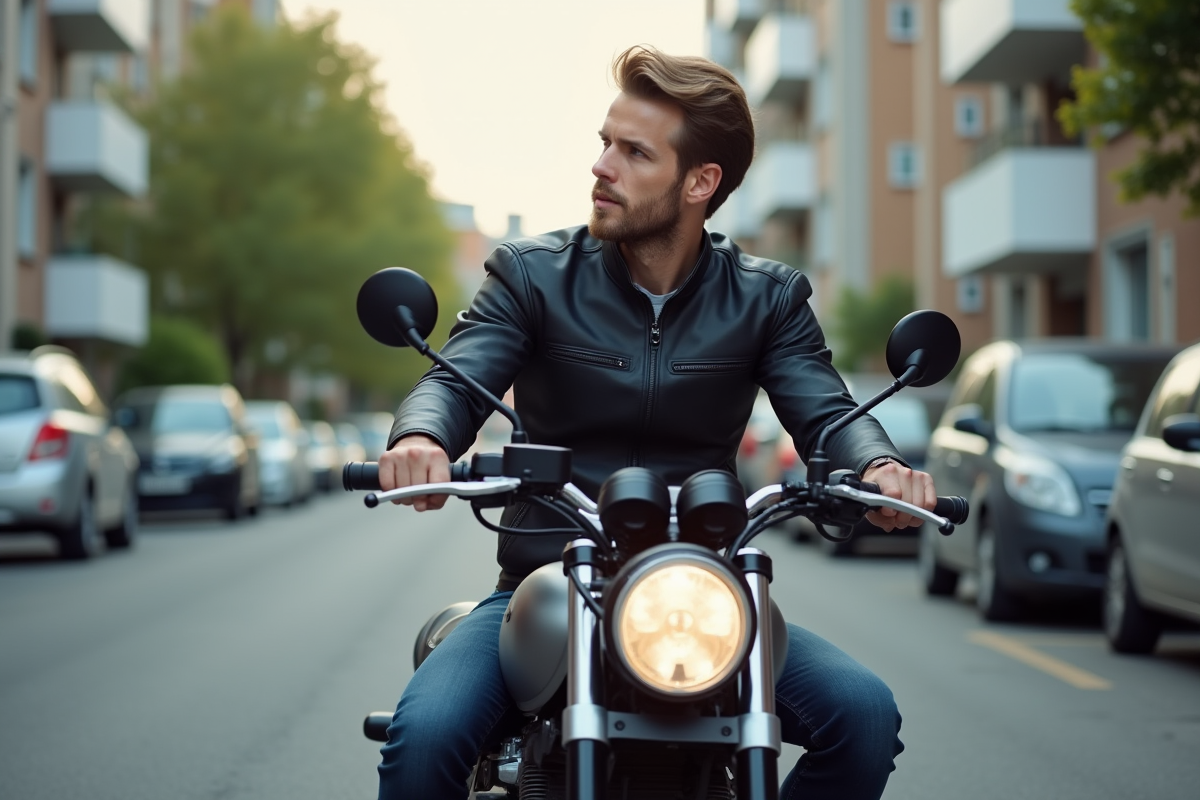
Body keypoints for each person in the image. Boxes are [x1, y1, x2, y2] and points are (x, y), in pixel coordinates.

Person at [375, 46, 937, 800]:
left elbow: (828, 413)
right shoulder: (532, 275)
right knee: (424, 737)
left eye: (634, 152)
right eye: (605, 142)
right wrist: (422, 437)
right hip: (546, 583)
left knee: (863, 717)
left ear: (700, 182)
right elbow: (457, 378)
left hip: (703, 600)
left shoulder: (767, 299)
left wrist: (876, 467)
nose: (602, 166)